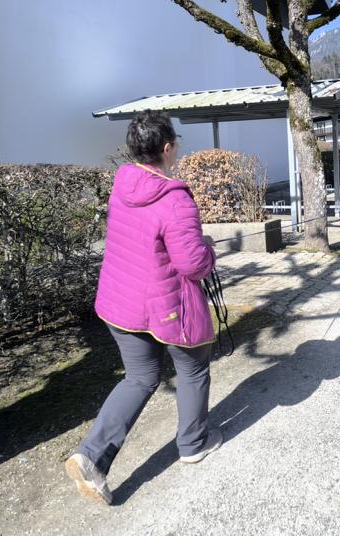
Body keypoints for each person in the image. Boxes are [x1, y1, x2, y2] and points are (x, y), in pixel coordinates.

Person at [65, 110, 221, 505]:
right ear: (167, 148)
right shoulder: (175, 198)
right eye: (176, 144)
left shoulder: (122, 183)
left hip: (120, 301)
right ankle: (193, 444)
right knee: (193, 366)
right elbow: (192, 264)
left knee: (138, 378)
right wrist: (208, 251)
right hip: (166, 306)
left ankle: (92, 456)